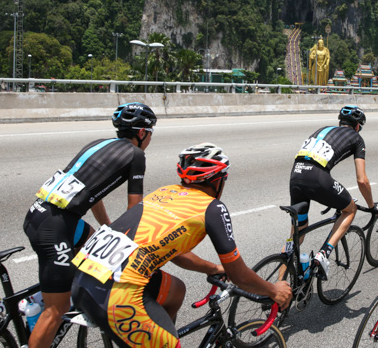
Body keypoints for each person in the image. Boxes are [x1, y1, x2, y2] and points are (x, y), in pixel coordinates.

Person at [71, 143, 292, 347]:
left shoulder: (164, 192)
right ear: (218, 180)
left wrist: (213, 268)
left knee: (175, 290)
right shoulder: (212, 208)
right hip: (114, 295)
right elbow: (239, 276)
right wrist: (274, 290)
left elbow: (176, 253)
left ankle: (156, 335)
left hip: (85, 275)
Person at [23, 102, 156, 348]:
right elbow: (135, 209)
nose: (149, 139)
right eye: (150, 133)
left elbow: (92, 192)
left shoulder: (97, 143)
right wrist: (135, 246)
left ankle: (42, 295)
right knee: (57, 309)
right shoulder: (136, 156)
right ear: (141, 132)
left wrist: (106, 226)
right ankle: (46, 304)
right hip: (55, 227)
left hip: (40, 213)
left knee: (93, 246)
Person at [289, 104, 376, 279]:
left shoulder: (323, 129)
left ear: (340, 122)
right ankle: (323, 255)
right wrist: (371, 206)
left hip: (295, 175)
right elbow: (362, 180)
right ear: (358, 126)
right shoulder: (357, 138)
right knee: (350, 209)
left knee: (297, 234)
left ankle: (279, 281)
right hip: (317, 177)